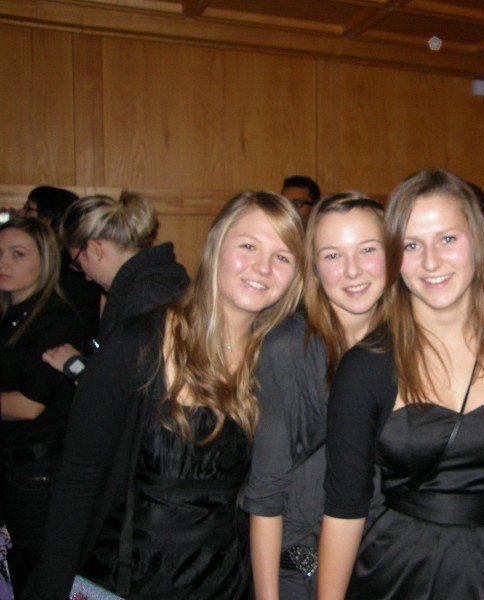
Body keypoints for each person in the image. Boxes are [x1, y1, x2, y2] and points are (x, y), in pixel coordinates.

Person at [25, 191, 305, 599]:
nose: (263, 267)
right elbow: (79, 481)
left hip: (228, 585)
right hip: (129, 581)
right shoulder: (139, 343)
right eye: (249, 246)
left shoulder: (283, 360)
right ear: (216, 244)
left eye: (282, 257)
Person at [318, 169, 484, 599]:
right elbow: (344, 513)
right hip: (398, 574)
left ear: (479, 242)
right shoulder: (367, 367)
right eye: (412, 245)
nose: (431, 262)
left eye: (447, 239)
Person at [244, 192, 387, 599]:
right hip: (302, 573)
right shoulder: (289, 349)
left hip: (385, 567)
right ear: (314, 267)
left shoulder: (405, 346)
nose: (352, 270)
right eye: (332, 255)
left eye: (367, 250)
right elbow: (266, 494)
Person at [0, 217, 82, 594]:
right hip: (12, 464)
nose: (4, 262)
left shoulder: (55, 319)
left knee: (34, 578)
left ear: (45, 261)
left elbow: (29, 405)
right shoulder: (9, 312)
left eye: (17, 254)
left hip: (36, 473)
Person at [41, 191, 189, 379]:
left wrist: (76, 367)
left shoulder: (147, 297)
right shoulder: (144, 285)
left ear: (95, 250)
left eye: (78, 264)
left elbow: (139, 387)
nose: (85, 276)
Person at [22, 186, 102, 345]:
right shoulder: (67, 258)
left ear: (47, 219)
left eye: (28, 209)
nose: (22, 214)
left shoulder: (70, 264)